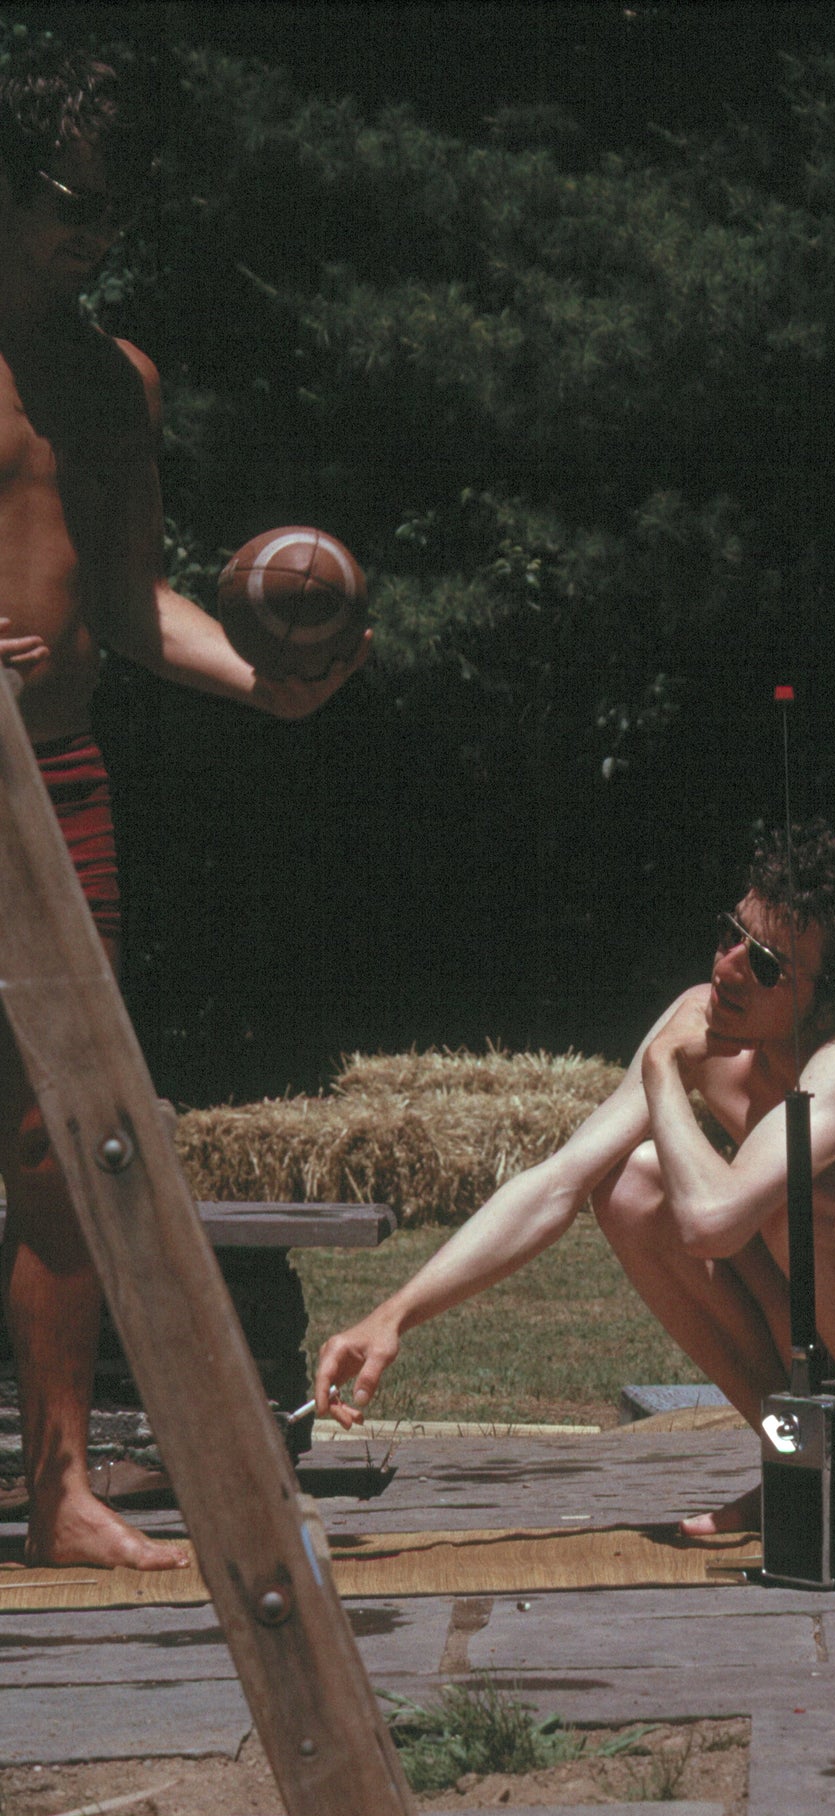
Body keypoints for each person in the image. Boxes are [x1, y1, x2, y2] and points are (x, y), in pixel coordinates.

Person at [0, 54, 369, 1570]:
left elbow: (136, 606)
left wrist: (265, 684)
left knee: (67, 1136)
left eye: (118, 208)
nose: (97, 231)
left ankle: (63, 1489)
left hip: (59, 780)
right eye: (72, 200)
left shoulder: (114, 380)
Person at [316, 821, 835, 1534]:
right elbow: (559, 1183)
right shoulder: (706, 1023)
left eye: (765, 964)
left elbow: (714, 1221)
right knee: (630, 1187)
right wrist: (394, 1315)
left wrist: (666, 1067)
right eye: (731, 933)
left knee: (801, 1195)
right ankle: (804, 1462)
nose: (727, 967)